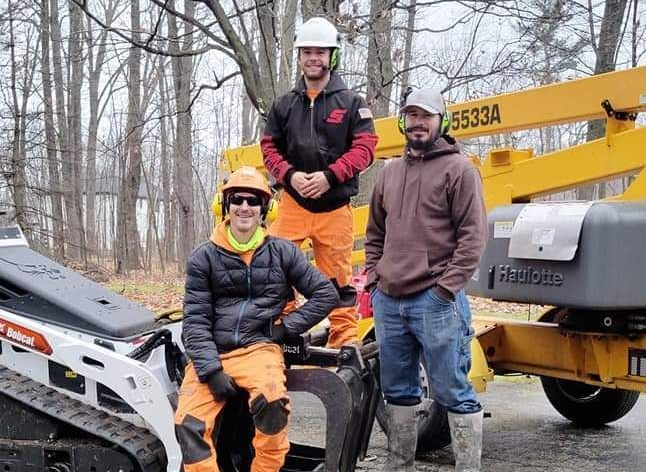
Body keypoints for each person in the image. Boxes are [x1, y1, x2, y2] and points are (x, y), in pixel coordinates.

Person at [174, 166, 339, 472]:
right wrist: (210, 372)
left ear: (266, 208)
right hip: (214, 351)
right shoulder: (203, 257)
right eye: (237, 199)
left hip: (259, 350)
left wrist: (285, 330)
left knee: (274, 405)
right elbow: (195, 322)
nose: (245, 207)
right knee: (188, 425)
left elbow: (326, 295)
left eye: (253, 200)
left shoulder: (283, 253)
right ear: (225, 206)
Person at [365, 88, 487, 472]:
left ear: (442, 122)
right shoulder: (389, 172)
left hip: (437, 302)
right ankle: (399, 465)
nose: (418, 122)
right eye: (412, 115)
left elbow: (473, 239)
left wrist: (443, 291)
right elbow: (374, 234)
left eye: (427, 115)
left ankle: (468, 467)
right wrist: (373, 279)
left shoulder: (460, 170)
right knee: (397, 390)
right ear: (403, 122)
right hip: (389, 300)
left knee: (452, 390)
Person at [261, 17, 378, 348]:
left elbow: (366, 148)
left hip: (335, 207)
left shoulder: (352, 103)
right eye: (307, 52)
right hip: (293, 205)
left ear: (332, 56)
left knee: (338, 277)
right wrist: (290, 176)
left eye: (320, 52)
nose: (314, 58)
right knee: (274, 268)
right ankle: (279, 331)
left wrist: (330, 177)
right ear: (299, 56)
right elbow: (269, 148)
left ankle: (343, 342)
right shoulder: (284, 105)